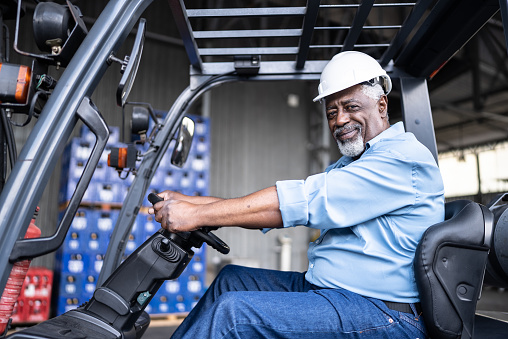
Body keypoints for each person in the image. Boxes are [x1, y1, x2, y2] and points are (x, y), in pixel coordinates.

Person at [149, 51, 444, 339]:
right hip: (335, 293)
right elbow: (285, 200)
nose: (339, 120)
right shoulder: (353, 165)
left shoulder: (401, 159)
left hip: (383, 313)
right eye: (332, 112)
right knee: (230, 281)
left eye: (351, 107)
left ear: (381, 105)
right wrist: (191, 203)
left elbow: (302, 201)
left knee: (234, 313)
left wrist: (198, 214)